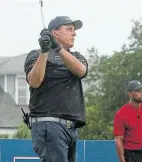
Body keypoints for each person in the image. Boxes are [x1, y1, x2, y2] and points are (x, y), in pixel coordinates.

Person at [24, 16, 88, 162]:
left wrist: (57, 48)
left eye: (74, 30)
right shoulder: (35, 55)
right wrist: (45, 51)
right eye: (69, 29)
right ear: (55, 33)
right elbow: (34, 81)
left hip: (71, 127)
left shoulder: (76, 57)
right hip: (48, 123)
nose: (74, 33)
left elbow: (81, 71)